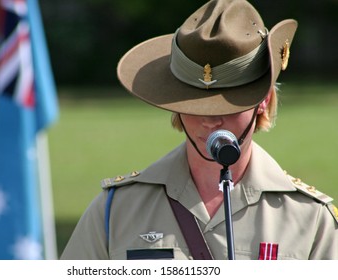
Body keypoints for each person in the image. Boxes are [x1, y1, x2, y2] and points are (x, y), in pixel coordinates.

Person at [61, 0, 338, 260]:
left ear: (263, 101)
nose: (210, 121)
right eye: (195, 104)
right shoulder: (117, 210)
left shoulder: (310, 218)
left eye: (229, 103)